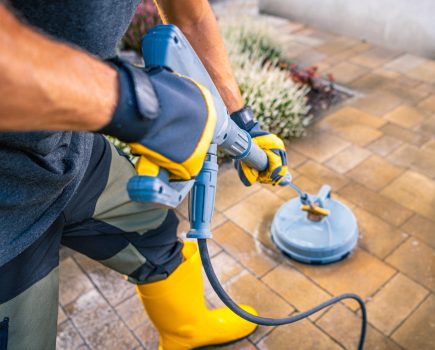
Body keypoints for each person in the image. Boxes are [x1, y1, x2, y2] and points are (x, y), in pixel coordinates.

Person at [0, 0, 288, 349]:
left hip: (69, 145)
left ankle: (187, 330)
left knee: (152, 226)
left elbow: (191, 17)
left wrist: (243, 122)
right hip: (7, 205)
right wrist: (138, 105)